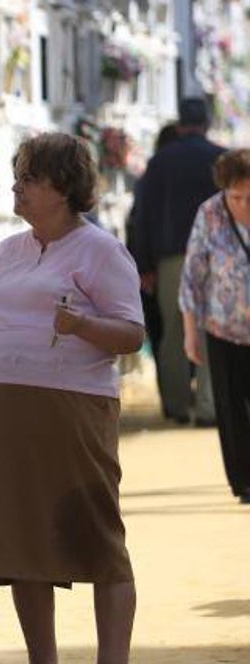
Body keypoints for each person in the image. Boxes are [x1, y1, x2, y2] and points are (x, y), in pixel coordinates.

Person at [0, 133, 143, 664]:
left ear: (62, 186)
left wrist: (81, 326)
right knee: (21, 539)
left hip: (70, 406)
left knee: (94, 536)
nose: (16, 187)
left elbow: (132, 332)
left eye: (29, 178)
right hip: (1, 404)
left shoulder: (100, 250)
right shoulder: (11, 249)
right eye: (17, 176)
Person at [131, 98, 225, 425]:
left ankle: (176, 404)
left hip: (171, 259)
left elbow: (141, 214)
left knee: (173, 330)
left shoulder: (159, 163)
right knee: (213, 328)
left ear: (180, 123)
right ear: (207, 123)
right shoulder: (220, 158)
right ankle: (209, 406)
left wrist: (143, 263)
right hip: (217, 257)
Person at [179, 149, 250, 504]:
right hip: (222, 327)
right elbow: (192, 276)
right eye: (236, 197)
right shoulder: (210, 214)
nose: (243, 204)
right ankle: (243, 482)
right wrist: (190, 331)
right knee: (230, 405)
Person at [125, 123, 179, 373]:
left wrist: (143, 266)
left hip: (160, 263)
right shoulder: (213, 159)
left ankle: (173, 400)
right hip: (204, 260)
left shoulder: (152, 172)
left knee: (165, 331)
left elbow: (139, 221)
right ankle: (203, 402)